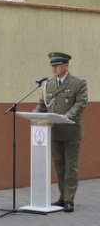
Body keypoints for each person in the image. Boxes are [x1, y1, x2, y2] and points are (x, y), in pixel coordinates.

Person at [34, 52, 88, 213]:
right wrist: (35, 115)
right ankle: (62, 197)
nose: (54, 68)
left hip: (71, 131)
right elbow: (42, 105)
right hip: (55, 132)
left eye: (57, 65)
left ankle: (69, 200)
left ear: (66, 66)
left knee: (71, 167)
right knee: (59, 166)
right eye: (52, 66)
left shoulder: (78, 83)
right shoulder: (48, 85)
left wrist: (67, 116)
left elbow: (81, 103)